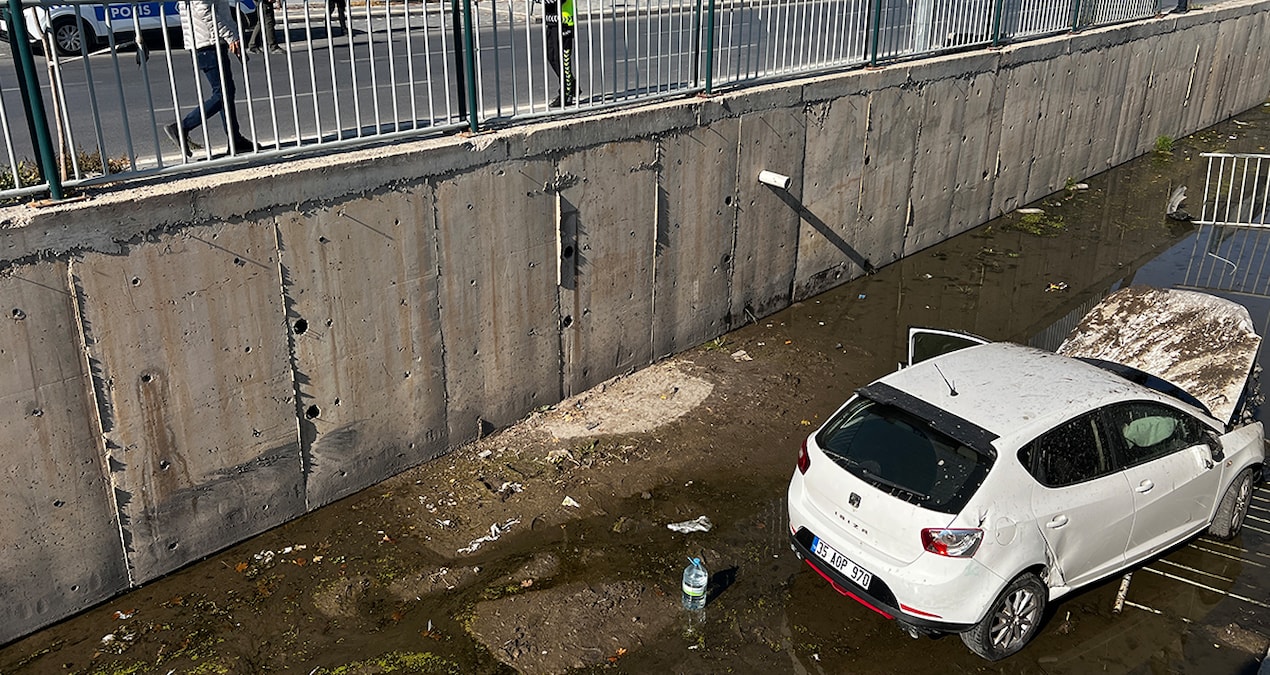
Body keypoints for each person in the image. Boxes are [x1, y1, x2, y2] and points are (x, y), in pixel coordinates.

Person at [166, 0, 258, 157]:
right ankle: (182, 127)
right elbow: (205, 11)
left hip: (209, 41)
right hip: (208, 43)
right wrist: (231, 36)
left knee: (225, 92)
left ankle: (235, 140)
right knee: (223, 94)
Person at [544, 0, 575, 107]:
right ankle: (571, 84)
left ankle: (566, 94)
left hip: (564, 22)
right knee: (551, 56)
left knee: (562, 59)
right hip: (552, 21)